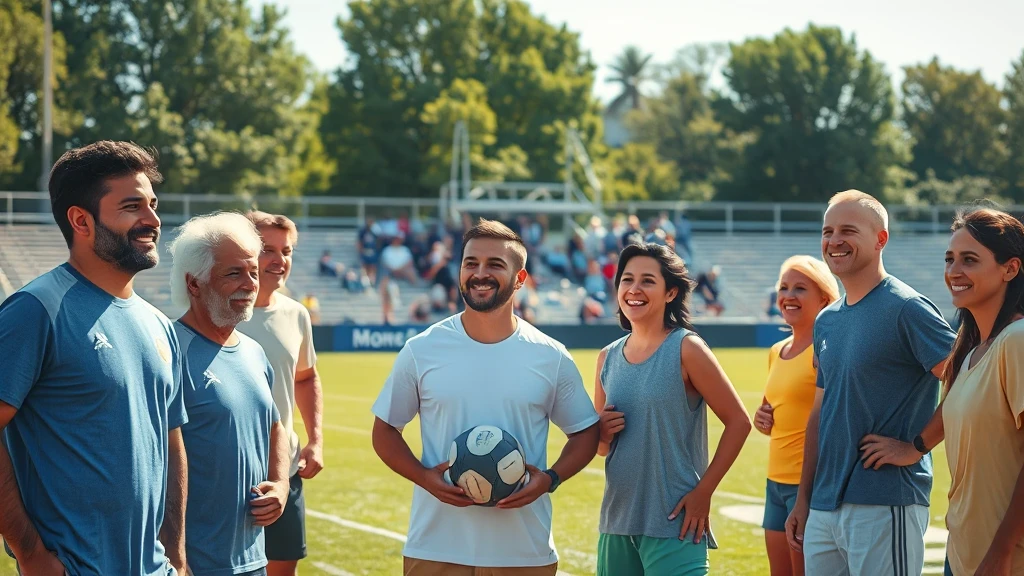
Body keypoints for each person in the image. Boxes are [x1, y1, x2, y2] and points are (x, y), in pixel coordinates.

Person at [371, 219, 600, 576]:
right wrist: (424, 477)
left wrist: (550, 479)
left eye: (495, 264)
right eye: (471, 263)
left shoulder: (550, 355)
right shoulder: (421, 350)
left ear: (520, 279)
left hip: (523, 552)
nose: (480, 273)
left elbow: (585, 432)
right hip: (435, 547)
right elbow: (385, 430)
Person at [0, 141, 188, 575]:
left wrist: (176, 555)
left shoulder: (159, 324)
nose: (153, 220)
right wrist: (30, 552)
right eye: (132, 206)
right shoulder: (35, 310)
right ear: (81, 220)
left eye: (153, 205)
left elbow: (171, 441)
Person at [784, 190, 956, 575]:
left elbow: (968, 381)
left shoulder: (908, 308)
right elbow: (820, 415)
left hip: (885, 499)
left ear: (881, 239)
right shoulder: (826, 320)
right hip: (823, 504)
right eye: (828, 231)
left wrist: (916, 447)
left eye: (848, 230)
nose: (834, 240)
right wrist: (804, 498)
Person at [858, 208, 1024, 576]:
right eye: (950, 259)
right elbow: (955, 411)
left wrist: (1001, 551)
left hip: (1005, 558)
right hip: (964, 552)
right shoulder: (971, 350)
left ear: (1010, 269)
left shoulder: (1017, 341)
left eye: (970, 260)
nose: (954, 271)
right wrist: (914, 447)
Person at [594, 242, 752, 576]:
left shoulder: (687, 348)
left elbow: (739, 422)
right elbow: (601, 448)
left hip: (675, 521)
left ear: (671, 292)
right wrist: (602, 432)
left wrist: (704, 492)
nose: (634, 289)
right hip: (616, 521)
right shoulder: (606, 357)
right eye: (627, 280)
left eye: (648, 281)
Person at [167, 212, 290, 576]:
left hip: (252, 559)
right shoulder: (168, 352)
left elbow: (274, 425)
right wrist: (174, 559)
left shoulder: (253, 351)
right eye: (234, 273)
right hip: (191, 564)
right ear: (194, 284)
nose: (250, 284)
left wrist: (281, 483)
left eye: (253, 272)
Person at [238, 211, 324, 576]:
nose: (279, 260)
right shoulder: (213, 312)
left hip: (284, 474)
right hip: (228, 475)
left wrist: (316, 439)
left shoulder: (296, 314)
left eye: (286, 251)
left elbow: (306, 378)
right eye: (267, 250)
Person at [753, 256, 840, 576]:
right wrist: (762, 419)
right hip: (775, 483)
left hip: (809, 485)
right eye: (783, 288)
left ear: (824, 299)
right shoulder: (777, 351)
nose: (788, 296)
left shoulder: (826, 351)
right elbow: (773, 409)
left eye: (800, 288)